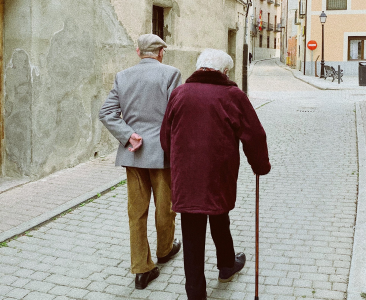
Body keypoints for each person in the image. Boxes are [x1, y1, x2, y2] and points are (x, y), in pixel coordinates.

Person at [160, 49, 271, 300]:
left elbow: (165, 135)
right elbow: (254, 134)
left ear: (199, 68)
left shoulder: (179, 94)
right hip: (218, 173)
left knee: (191, 232)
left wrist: (175, 160)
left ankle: (196, 292)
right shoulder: (232, 95)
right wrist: (260, 165)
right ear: (225, 71)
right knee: (220, 216)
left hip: (186, 176)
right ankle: (226, 265)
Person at [99, 34, 182, 290]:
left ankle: (141, 269)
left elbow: (106, 113)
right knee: (165, 206)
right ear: (160, 53)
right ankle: (165, 250)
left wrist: (128, 135)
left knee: (136, 212)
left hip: (133, 154)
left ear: (138, 52)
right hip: (162, 154)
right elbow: (176, 114)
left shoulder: (122, 76)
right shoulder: (171, 73)